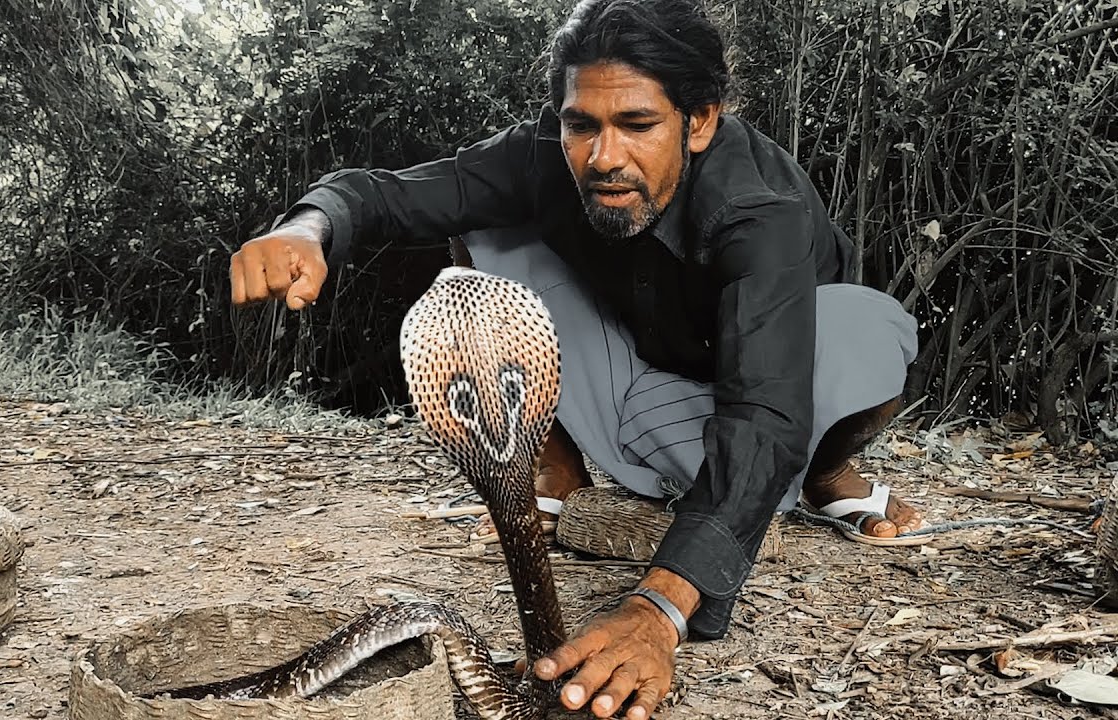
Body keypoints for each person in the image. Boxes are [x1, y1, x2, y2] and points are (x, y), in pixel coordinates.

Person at [228, 0, 923, 717]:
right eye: (580, 124)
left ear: (701, 120)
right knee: (490, 234)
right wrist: (308, 228)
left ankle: (828, 472)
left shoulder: (759, 207)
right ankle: (556, 463)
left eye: (637, 125)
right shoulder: (545, 154)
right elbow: (394, 193)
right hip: (635, 378)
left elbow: (764, 413)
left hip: (768, 383)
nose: (602, 156)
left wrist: (659, 609)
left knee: (869, 329)